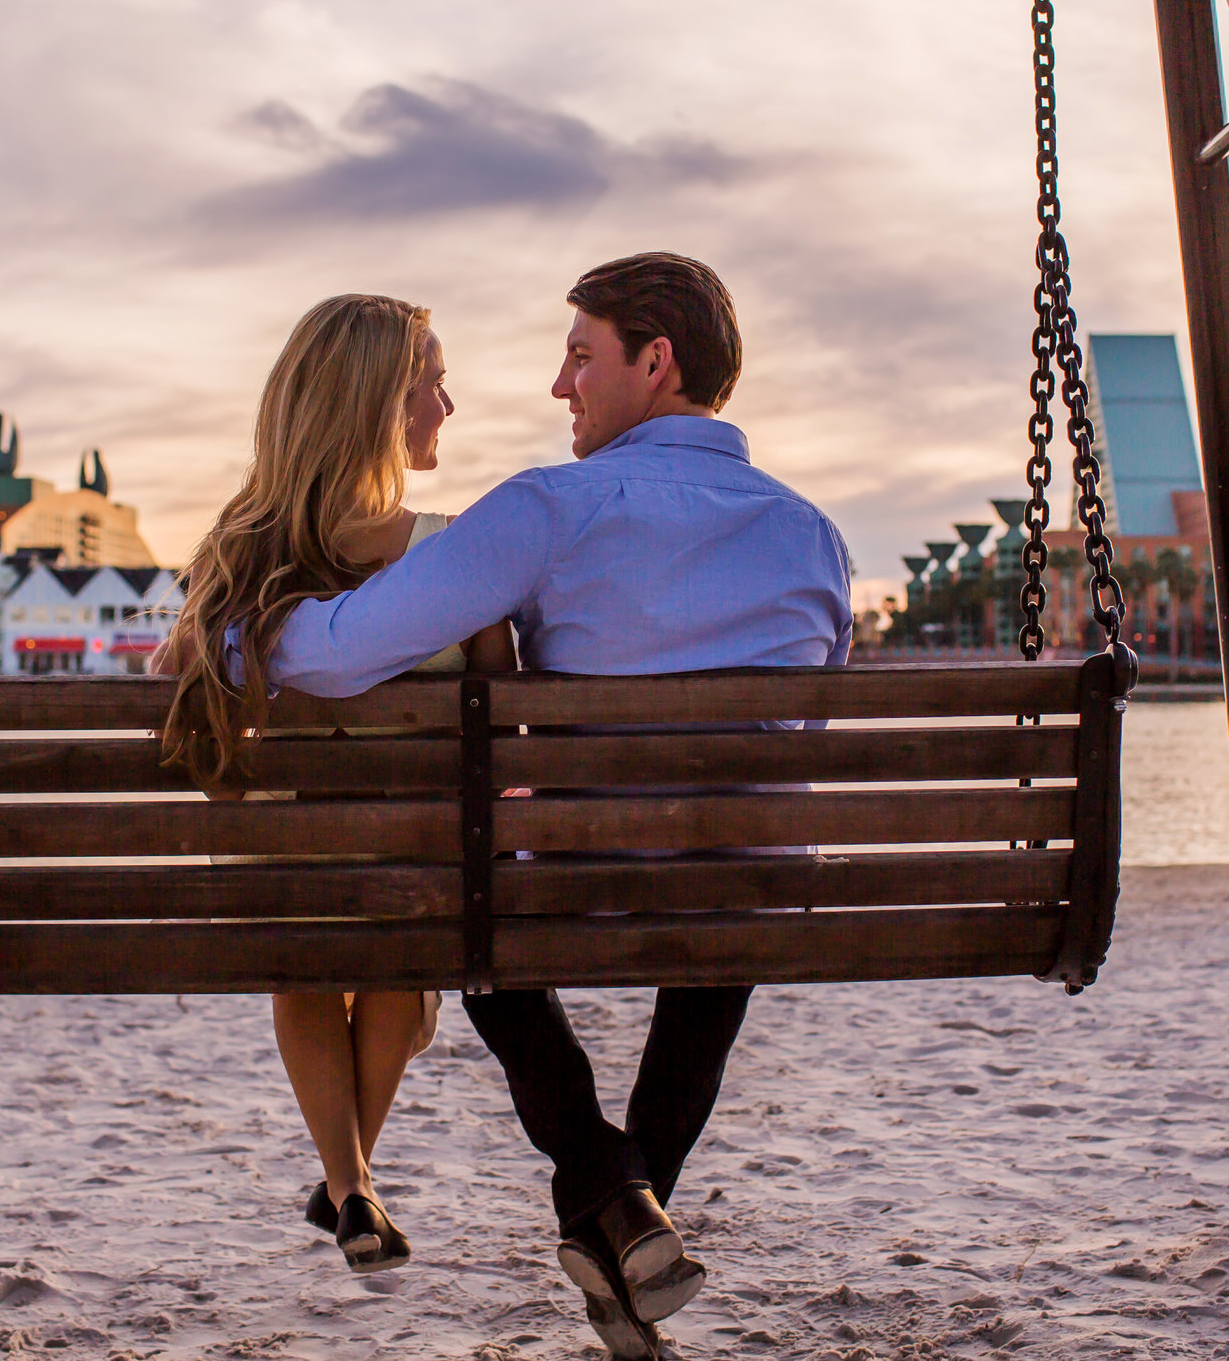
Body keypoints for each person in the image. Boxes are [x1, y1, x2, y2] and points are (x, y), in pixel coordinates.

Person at [267, 253, 852, 1357]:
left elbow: (346, 650)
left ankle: (607, 1189)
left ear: (655, 361)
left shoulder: (549, 505)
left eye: (580, 356)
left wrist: (230, 634)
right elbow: (804, 740)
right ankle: (625, 1224)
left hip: (572, 883)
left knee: (481, 927)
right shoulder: (811, 532)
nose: (558, 385)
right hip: (752, 892)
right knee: (724, 905)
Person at [152, 293, 515, 1274]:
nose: (449, 401)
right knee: (403, 960)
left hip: (286, 888)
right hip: (422, 889)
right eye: (432, 381)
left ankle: (350, 1186)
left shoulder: (236, 565)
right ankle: (352, 1183)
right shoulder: (457, 553)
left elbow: (181, 722)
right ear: (379, 407)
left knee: (304, 954)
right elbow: (512, 726)